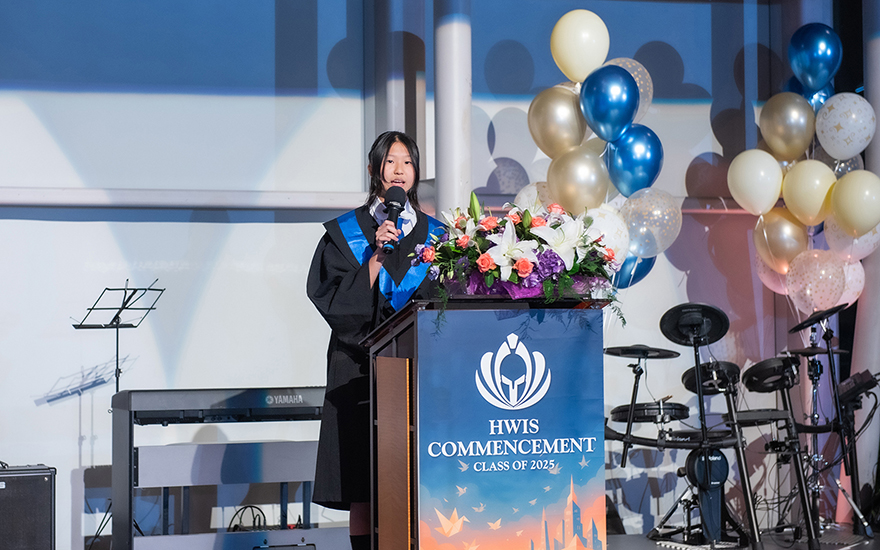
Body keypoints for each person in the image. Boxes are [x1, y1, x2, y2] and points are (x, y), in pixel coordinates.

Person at [306, 131, 442, 550]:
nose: (399, 170)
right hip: (357, 367)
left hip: (420, 370)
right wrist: (377, 256)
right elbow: (332, 301)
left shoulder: (437, 236)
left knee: (420, 475)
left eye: (407, 162)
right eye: (390, 162)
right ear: (373, 169)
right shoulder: (345, 233)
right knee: (364, 482)